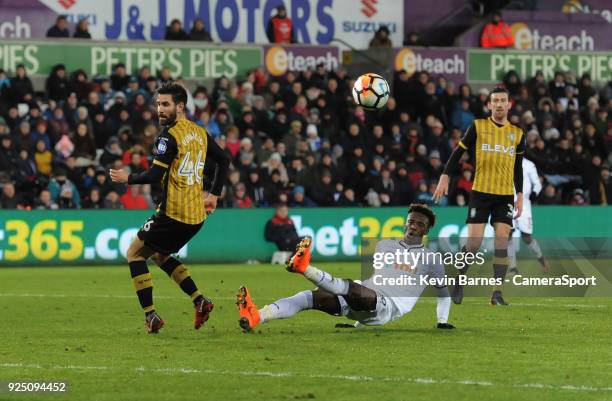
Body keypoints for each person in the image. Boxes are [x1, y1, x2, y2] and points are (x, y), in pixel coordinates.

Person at [109, 82, 230, 334]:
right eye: (158, 104)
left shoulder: (168, 137)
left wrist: (127, 178)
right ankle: (200, 300)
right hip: (196, 216)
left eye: (165, 104)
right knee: (160, 255)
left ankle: (151, 315)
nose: (159, 109)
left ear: (180, 106)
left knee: (134, 253)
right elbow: (224, 160)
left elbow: (154, 175)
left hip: (173, 213)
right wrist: (214, 195)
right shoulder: (199, 132)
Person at [237, 204, 454, 331]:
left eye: (420, 224)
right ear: (405, 222)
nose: (413, 227)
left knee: (349, 286)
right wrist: (357, 322)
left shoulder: (431, 259)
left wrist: (442, 322)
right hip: (367, 298)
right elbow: (377, 279)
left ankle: (305, 268)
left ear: (427, 231)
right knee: (307, 298)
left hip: (388, 307)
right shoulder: (384, 245)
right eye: (411, 221)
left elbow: (443, 294)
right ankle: (257, 316)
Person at [434, 87, 525, 306]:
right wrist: (445, 175)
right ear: (490, 105)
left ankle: (497, 293)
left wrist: (520, 194)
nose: (500, 104)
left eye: (503, 100)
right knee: (473, 244)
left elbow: (518, 167)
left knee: (502, 239)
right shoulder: (478, 126)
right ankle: (459, 280)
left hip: (504, 195)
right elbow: (458, 153)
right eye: (495, 101)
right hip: (481, 193)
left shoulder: (518, 134)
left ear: (509, 104)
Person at [507, 157, 550, 275]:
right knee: (508, 234)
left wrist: (534, 194)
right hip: (508, 203)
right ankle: (513, 267)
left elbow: (537, 184)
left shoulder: (528, 164)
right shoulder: (505, 159)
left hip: (524, 205)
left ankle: (542, 259)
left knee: (527, 238)